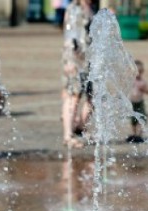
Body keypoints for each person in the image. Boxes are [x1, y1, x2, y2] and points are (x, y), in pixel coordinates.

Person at [61, 0, 93, 148]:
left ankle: (81, 126)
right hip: (75, 59)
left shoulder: (91, 7)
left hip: (89, 60)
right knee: (73, 97)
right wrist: (69, 61)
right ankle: (68, 136)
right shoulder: (74, 8)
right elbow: (69, 36)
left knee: (92, 97)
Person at [127, 59, 148, 143]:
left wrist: (143, 89)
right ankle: (134, 134)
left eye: (140, 72)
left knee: (141, 119)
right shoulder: (131, 81)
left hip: (140, 103)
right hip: (132, 103)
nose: (138, 74)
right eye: (136, 72)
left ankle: (139, 135)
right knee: (133, 120)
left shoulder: (143, 82)